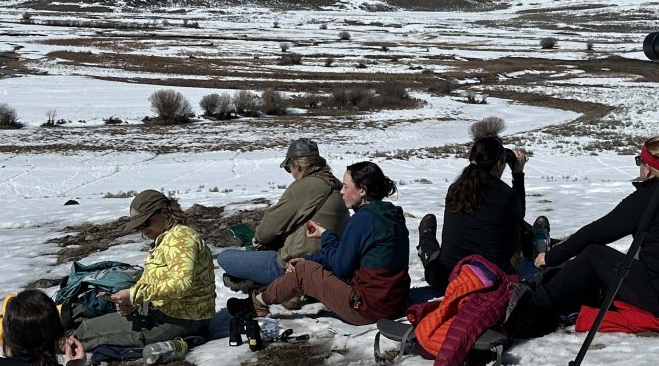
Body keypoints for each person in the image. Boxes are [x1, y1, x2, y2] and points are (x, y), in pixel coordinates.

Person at [527, 137, 659, 321]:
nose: (639, 167)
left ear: (648, 168)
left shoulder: (649, 198)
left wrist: (551, 257)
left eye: (639, 162)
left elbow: (596, 233)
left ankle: (534, 305)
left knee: (593, 255)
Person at [236, 162, 409, 325]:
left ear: (362, 190)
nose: (341, 191)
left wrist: (324, 240)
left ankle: (257, 302)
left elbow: (342, 267)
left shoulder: (363, 220)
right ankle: (288, 292)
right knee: (309, 266)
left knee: (304, 272)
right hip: (394, 303)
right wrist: (313, 256)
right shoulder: (390, 215)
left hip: (367, 309)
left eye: (346, 186)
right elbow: (349, 258)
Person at [73, 189, 216, 353]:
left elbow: (181, 283)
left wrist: (134, 295)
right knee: (86, 318)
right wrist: (133, 302)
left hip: (179, 319)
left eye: (146, 223)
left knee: (85, 332)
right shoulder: (165, 238)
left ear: (165, 212)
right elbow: (151, 278)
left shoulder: (180, 238)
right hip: (165, 312)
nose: (143, 230)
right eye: (138, 227)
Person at [216, 138, 347, 291]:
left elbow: (269, 228)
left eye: (288, 167)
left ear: (297, 166)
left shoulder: (303, 187)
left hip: (295, 264)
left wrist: (258, 238)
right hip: (330, 261)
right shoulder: (335, 185)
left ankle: (272, 286)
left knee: (225, 258)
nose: (291, 173)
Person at [417, 131, 531, 287]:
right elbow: (519, 215)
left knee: (433, 252)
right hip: (493, 279)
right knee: (517, 226)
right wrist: (518, 174)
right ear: (498, 165)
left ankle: (426, 236)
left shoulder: (456, 188)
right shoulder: (506, 195)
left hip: (448, 277)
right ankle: (538, 242)